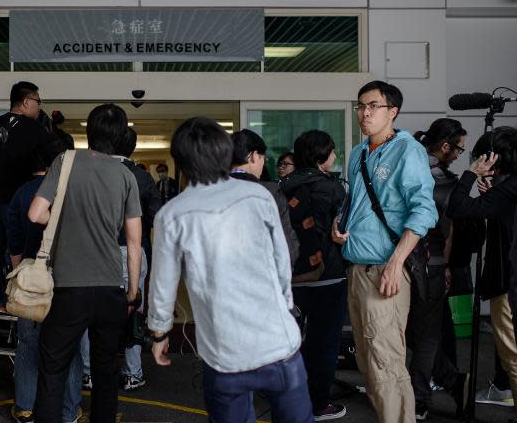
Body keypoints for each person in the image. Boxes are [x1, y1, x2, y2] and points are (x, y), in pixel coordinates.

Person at [149, 117, 312, 423]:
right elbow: (282, 263)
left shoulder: (171, 215)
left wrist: (159, 333)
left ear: (180, 161)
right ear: (225, 153)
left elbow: (163, 286)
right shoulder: (259, 196)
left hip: (224, 355)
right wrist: (286, 307)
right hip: (279, 346)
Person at [29, 104, 143, 423]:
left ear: (87, 131)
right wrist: (133, 291)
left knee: (53, 369)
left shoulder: (64, 162)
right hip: (110, 288)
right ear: (120, 137)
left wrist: (63, 223)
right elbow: (134, 244)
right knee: (106, 370)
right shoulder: (126, 176)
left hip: (68, 288)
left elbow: (35, 213)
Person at [331, 81, 438, 423]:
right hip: (357, 269)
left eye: (373, 106)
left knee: (386, 363)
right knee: (367, 362)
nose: (365, 113)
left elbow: (423, 211)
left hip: (384, 271)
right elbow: (356, 201)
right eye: (360, 106)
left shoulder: (408, 150)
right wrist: (339, 223)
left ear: (393, 111)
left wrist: (396, 264)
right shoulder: (359, 153)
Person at [8, 135, 83, 423]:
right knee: (70, 344)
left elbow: (13, 242)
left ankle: (26, 407)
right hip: (67, 277)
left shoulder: (22, 193)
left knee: (28, 343)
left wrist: (20, 275)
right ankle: (70, 408)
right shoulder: (73, 190)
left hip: (30, 278)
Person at [81, 126, 162, 393]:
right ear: (132, 147)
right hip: (133, 251)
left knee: (89, 313)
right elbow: (156, 217)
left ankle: (88, 372)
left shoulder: (91, 173)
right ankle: (132, 373)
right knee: (133, 311)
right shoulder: (142, 177)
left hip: (96, 250)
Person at [446, 127, 517, 421]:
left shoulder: (509, 187)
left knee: (512, 355)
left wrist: (472, 174)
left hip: (510, 284)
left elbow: (458, 207)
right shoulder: (509, 188)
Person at [280, 130, 348, 421]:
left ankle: (286, 397)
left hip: (290, 276)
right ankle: (319, 403)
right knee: (324, 343)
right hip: (327, 275)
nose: (334, 157)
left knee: (289, 341)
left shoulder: (281, 187)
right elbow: (343, 230)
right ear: (321, 156)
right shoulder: (333, 188)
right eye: (331, 152)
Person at [407, 119, 470, 420]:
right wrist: (444, 264)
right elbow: (448, 228)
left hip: (397, 258)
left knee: (411, 331)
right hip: (429, 261)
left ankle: (426, 392)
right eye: (458, 148)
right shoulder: (443, 180)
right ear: (445, 146)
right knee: (426, 333)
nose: (459, 154)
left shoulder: (407, 161)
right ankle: (438, 388)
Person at [0, 81, 49, 313]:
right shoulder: (36, 129)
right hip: (18, 202)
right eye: (38, 102)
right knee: (18, 252)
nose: (39, 107)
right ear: (26, 102)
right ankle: (15, 300)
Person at [229, 129, 300, 264]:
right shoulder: (270, 193)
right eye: (263, 158)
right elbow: (288, 249)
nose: (263, 163)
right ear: (253, 156)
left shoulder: (210, 191)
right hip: (260, 278)